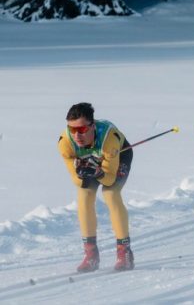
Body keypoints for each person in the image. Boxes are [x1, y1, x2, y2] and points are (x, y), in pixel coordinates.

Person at [58, 103, 134, 272]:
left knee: (111, 194)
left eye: (82, 129)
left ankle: (124, 252)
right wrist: (81, 173)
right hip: (92, 161)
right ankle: (91, 254)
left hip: (118, 156)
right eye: (72, 129)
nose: (77, 135)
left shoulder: (109, 139)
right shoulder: (65, 143)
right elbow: (78, 182)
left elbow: (108, 180)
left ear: (92, 126)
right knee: (84, 195)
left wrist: (98, 173)